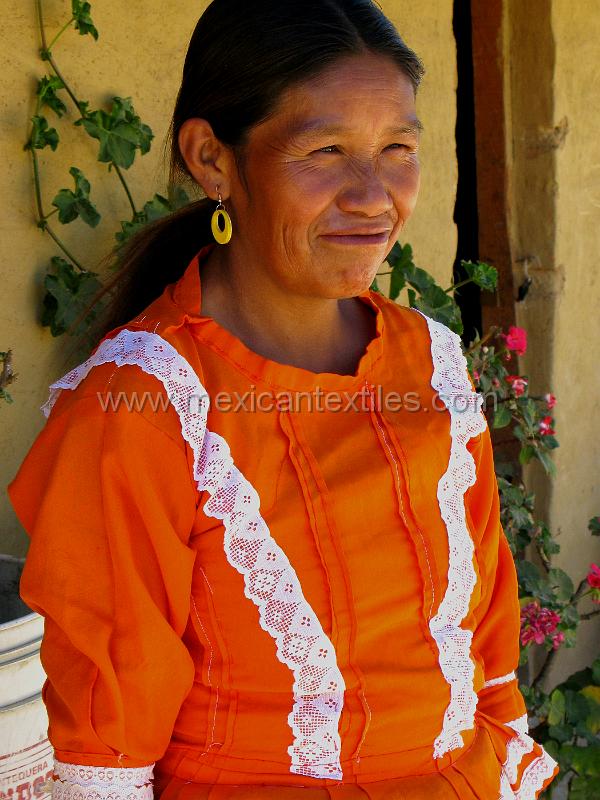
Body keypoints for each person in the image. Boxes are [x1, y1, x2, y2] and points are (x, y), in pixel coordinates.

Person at [7, 1, 558, 798]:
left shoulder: (429, 361)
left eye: (397, 148)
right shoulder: (144, 407)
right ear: (213, 159)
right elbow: (103, 756)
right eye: (325, 150)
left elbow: (487, 648)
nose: (374, 195)